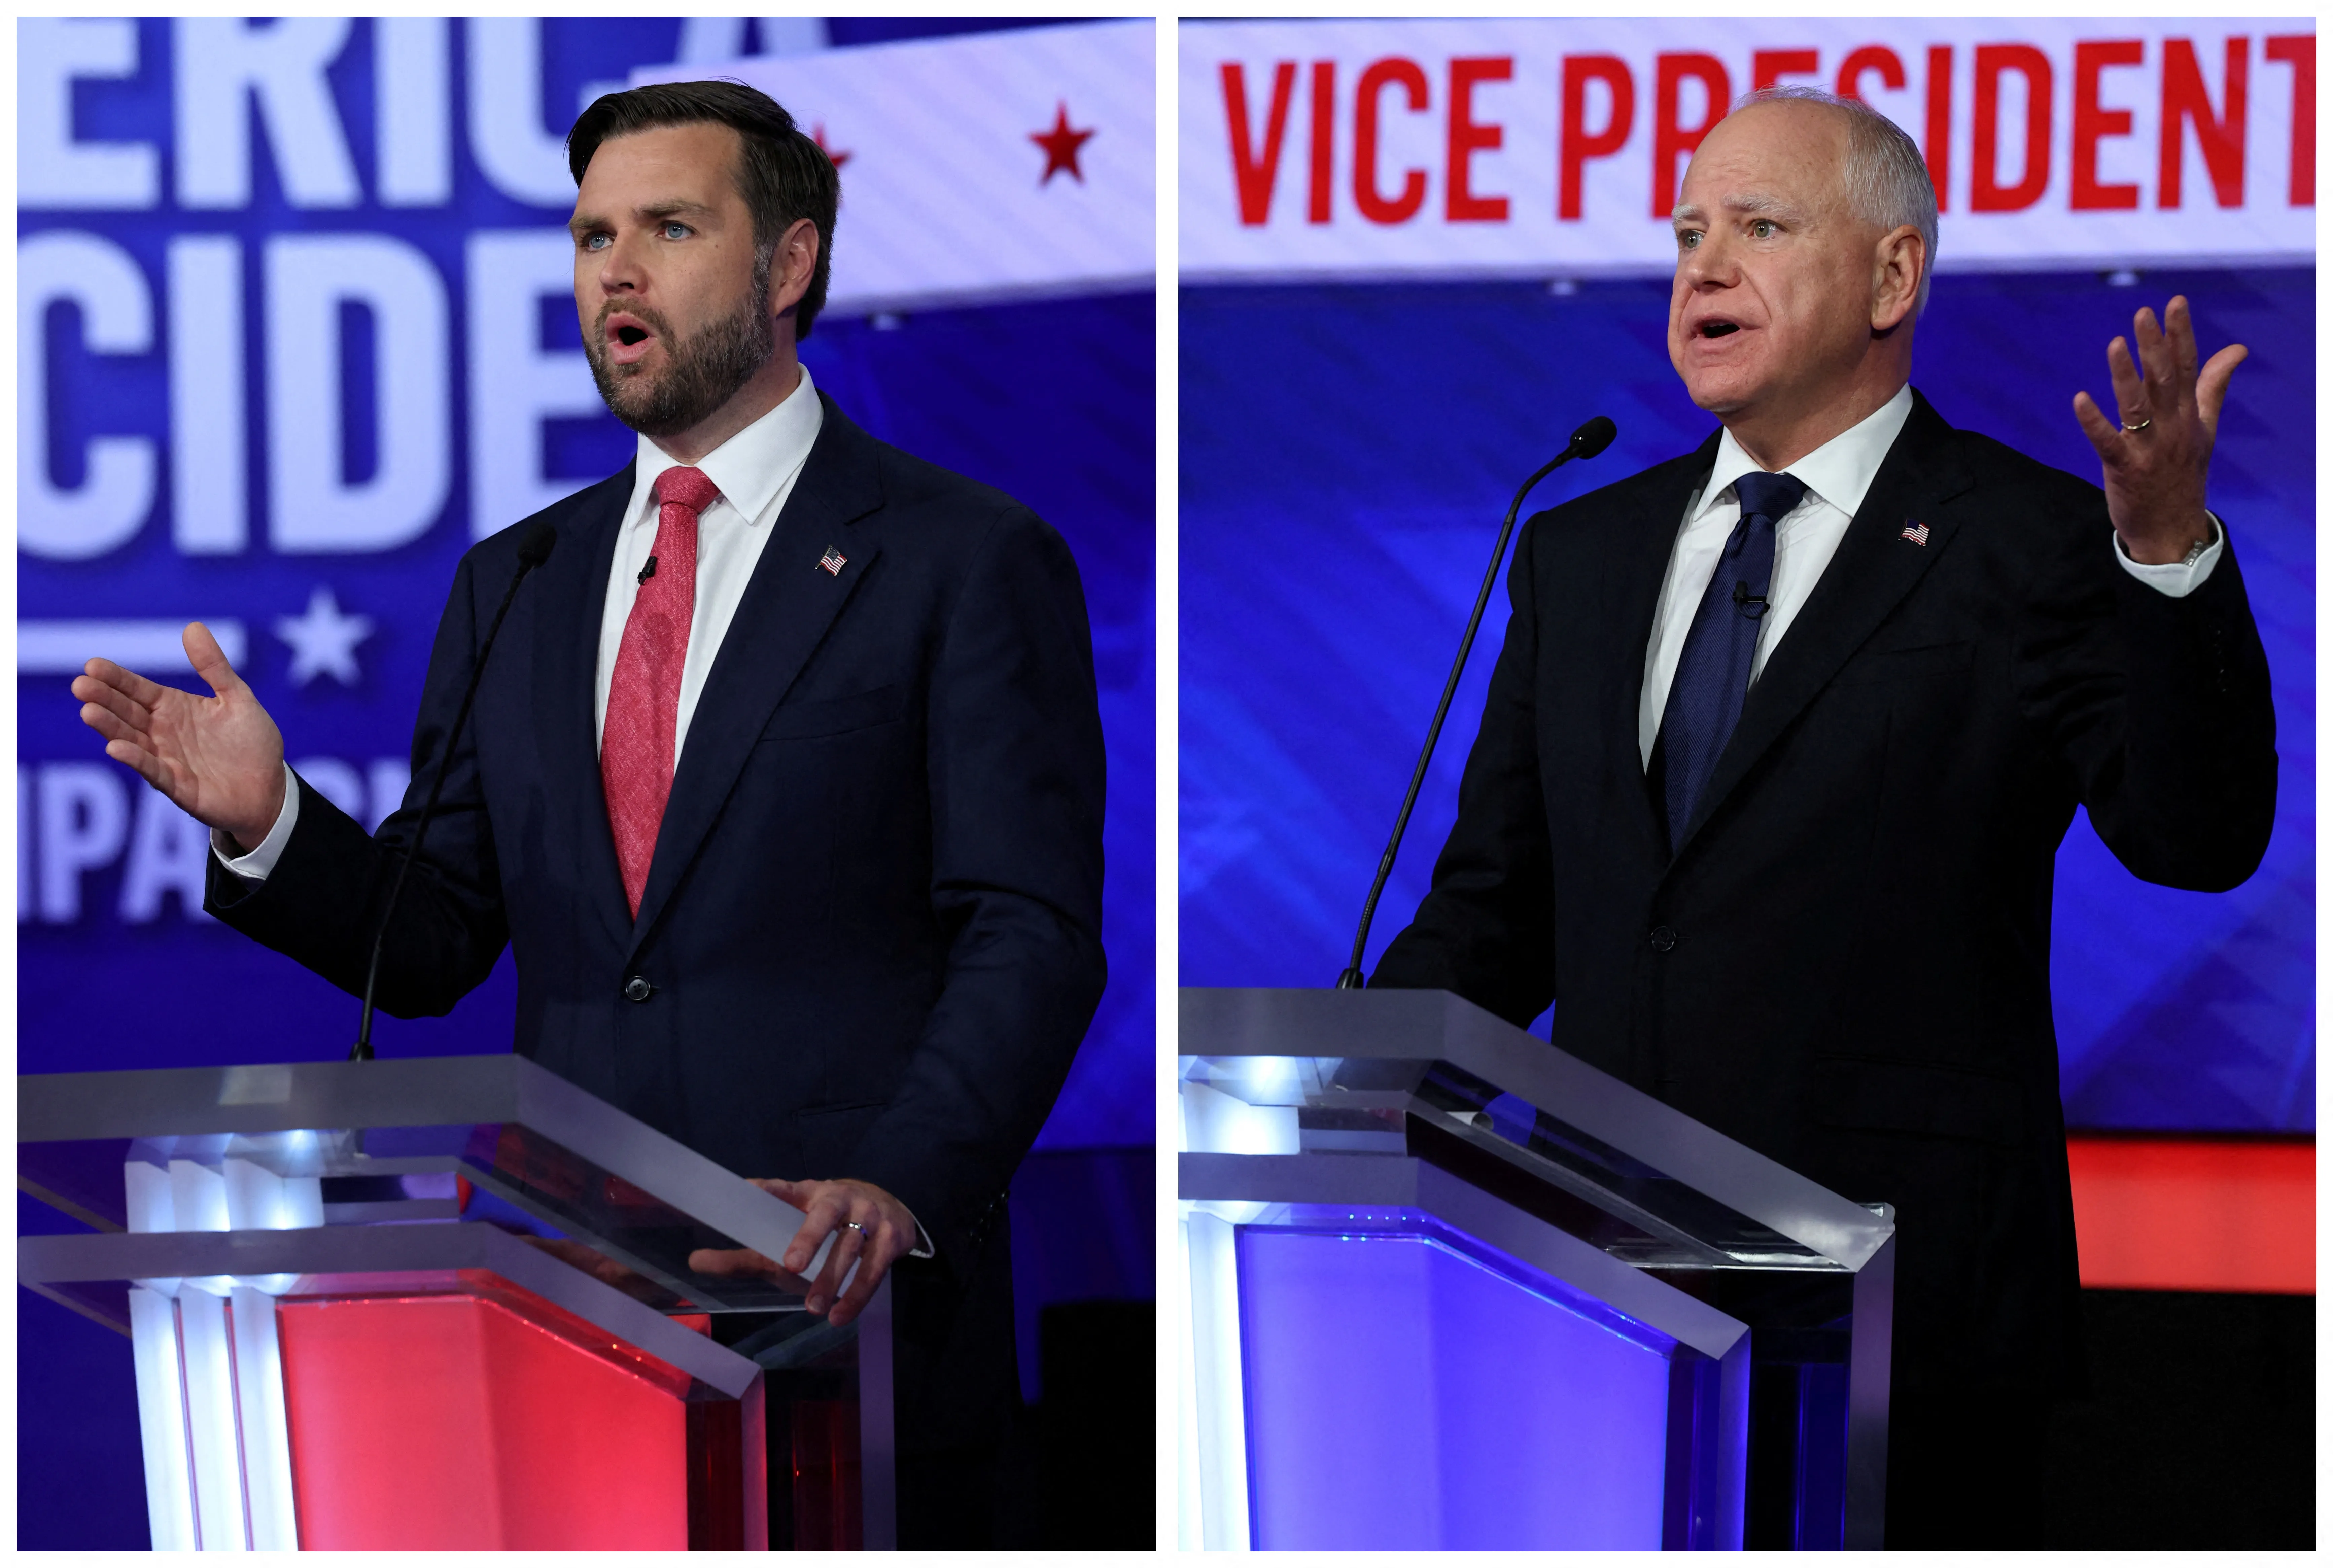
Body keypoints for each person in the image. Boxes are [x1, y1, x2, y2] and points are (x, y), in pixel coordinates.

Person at [72, 80, 1107, 1547]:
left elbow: (1031, 928)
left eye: (669, 228)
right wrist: (272, 822)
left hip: (847, 1330)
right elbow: (431, 940)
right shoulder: (522, 582)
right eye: (591, 235)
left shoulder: (961, 558)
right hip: (576, 1319)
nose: (614, 271)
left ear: (787, 265)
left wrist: (896, 1185)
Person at [1368, 87, 2273, 1548]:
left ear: (1891, 276)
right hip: (1601, 1297)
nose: (1700, 268)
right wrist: (1346, 1100)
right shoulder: (1578, 550)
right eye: (1683, 235)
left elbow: (2195, 836)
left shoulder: (2028, 537)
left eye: (1758, 227)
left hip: (1903, 1321)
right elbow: (1497, 908)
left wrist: (2163, 552)